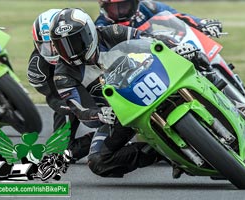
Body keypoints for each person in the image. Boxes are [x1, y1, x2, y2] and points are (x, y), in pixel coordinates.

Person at [49, 8, 174, 178]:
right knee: (98, 161)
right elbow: (79, 109)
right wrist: (100, 114)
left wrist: (175, 47)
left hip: (155, 83)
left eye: (76, 42)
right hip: (120, 114)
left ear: (89, 33)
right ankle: (161, 152)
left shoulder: (110, 32)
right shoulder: (63, 74)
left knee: (196, 61)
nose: (71, 51)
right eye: (63, 45)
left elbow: (149, 39)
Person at [27, 9, 93, 163]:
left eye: (57, 44)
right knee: (59, 153)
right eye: (47, 46)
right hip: (72, 93)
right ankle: (100, 139)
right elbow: (55, 98)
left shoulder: (88, 46)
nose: (54, 51)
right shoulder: (38, 68)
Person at [95, 0, 223, 38]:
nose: (120, 12)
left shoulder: (147, 7)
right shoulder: (100, 26)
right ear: (105, 7)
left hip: (160, 53)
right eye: (114, 8)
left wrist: (202, 23)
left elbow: (176, 15)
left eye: (124, 6)